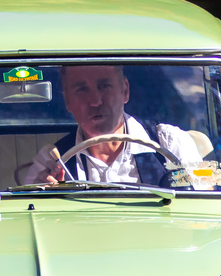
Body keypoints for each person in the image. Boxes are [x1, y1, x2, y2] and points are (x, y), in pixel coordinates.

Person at [20, 64, 204, 188]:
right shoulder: (51, 161)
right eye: (82, 90)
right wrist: (44, 195)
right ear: (68, 101)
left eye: (105, 86)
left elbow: (206, 209)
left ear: (125, 91)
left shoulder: (170, 144)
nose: (95, 101)